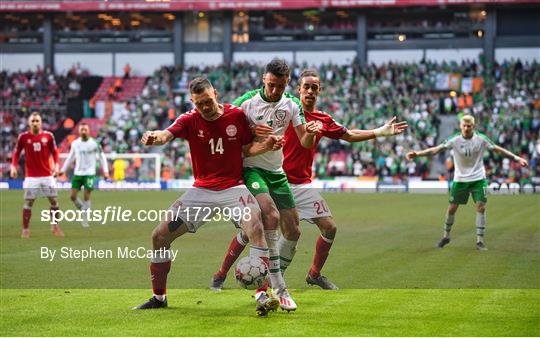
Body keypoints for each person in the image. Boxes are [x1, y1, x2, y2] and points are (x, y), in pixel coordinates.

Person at [211, 68, 408, 290]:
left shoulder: (322, 119)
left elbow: (349, 135)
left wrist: (380, 132)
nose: (310, 91)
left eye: (315, 88)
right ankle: (220, 274)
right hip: (273, 178)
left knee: (329, 227)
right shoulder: (283, 109)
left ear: (319, 91)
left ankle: (311, 275)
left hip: (302, 184)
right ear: (299, 89)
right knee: (252, 232)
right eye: (306, 87)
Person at [134, 77, 283, 317]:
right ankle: (159, 297)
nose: (204, 107)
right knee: (159, 235)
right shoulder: (189, 119)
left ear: (215, 93)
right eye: (198, 103)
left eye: (208, 101)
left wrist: (266, 146)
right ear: (193, 102)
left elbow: (246, 149)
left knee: (255, 226)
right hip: (201, 191)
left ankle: (262, 295)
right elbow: (166, 135)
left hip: (233, 188)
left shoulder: (235, 116)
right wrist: (154, 137)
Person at [211, 59, 320, 312]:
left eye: (280, 86)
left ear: (287, 83)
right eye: (271, 85)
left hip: (277, 172)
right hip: (251, 169)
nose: (275, 91)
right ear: (263, 79)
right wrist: (249, 128)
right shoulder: (246, 102)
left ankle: (255, 273)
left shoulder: (291, 104)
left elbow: (304, 140)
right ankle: (275, 288)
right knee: (269, 215)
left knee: (293, 230)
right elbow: (221, 121)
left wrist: (312, 131)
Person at [406, 115, 528, 250]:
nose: (466, 128)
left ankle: (480, 241)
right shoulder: (455, 139)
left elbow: (498, 149)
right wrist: (417, 154)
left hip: (478, 179)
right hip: (460, 179)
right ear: (460, 126)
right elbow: (436, 150)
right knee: (452, 208)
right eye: (464, 126)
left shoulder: (481, 139)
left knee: (481, 207)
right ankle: (446, 236)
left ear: (473, 127)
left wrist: (517, 158)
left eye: (469, 126)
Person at [10, 112, 64, 238]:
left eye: (37, 121)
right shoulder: (23, 137)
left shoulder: (48, 136)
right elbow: (16, 152)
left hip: (47, 176)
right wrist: (14, 166)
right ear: (29, 123)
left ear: (41, 123)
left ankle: (55, 226)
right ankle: (25, 229)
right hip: (31, 177)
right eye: (33, 121)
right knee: (29, 203)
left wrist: (56, 166)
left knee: (54, 201)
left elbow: (55, 152)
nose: (35, 123)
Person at [59, 123, 110, 227]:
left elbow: (102, 157)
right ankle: (83, 209)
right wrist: (62, 170)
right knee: (72, 196)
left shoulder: (95, 143)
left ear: (88, 131)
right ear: (79, 131)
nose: (83, 131)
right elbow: (70, 157)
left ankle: (85, 219)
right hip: (78, 173)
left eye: (85, 130)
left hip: (89, 174)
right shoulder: (75, 143)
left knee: (86, 195)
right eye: (81, 130)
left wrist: (106, 171)